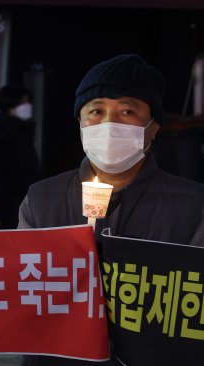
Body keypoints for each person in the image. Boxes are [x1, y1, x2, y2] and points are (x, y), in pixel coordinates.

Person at [18, 54, 204, 365]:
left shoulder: (193, 205)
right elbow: (23, 292)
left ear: (153, 126)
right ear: (80, 123)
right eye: (96, 111)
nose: (109, 123)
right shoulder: (41, 199)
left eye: (127, 111)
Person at [0, 84, 41, 229]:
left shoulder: (19, 131)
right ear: (10, 105)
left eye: (28, 102)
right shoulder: (10, 135)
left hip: (20, 201)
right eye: (22, 102)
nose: (27, 106)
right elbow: (12, 178)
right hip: (15, 205)